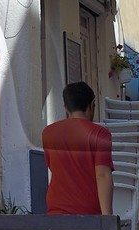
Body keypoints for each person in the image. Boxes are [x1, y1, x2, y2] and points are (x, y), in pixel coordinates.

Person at [42, 82, 113, 215]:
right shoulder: (100, 134)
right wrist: (108, 219)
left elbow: (53, 167)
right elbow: (103, 175)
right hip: (88, 211)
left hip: (56, 208)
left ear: (66, 107)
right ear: (92, 104)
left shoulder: (48, 133)